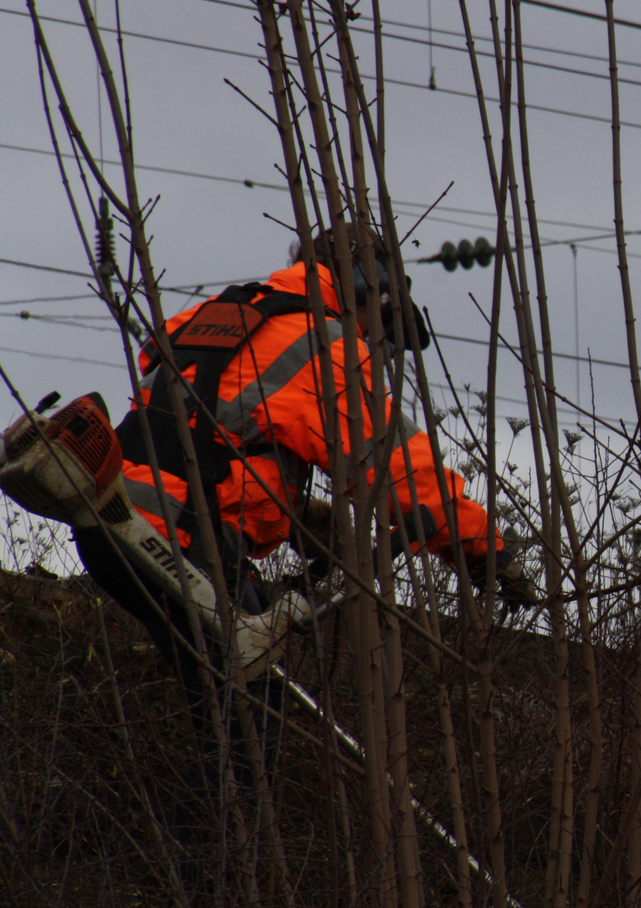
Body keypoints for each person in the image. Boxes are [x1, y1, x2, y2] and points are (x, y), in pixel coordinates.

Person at [72, 227, 531, 846]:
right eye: (382, 312)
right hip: (180, 542)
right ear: (369, 284)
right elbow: (401, 473)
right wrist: (486, 551)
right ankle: (201, 880)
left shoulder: (234, 314)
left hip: (113, 517)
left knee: (232, 708)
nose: (377, 337)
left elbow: (211, 434)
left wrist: (299, 514)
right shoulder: (327, 345)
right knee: (246, 719)